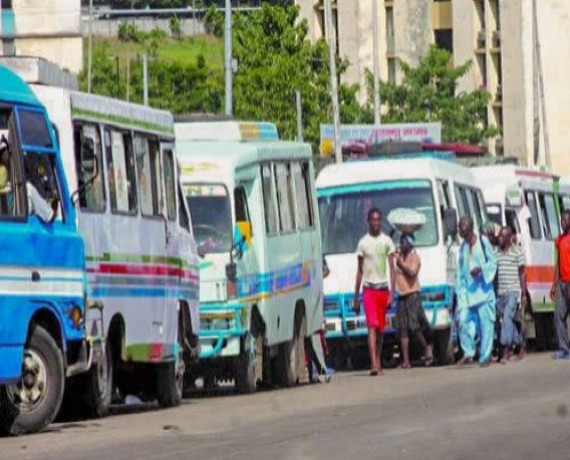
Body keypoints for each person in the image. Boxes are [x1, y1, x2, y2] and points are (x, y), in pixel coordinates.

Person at [353, 208, 396, 376]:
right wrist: (356, 297)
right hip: (369, 289)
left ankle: (378, 359)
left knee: (380, 329)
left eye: (378, 220)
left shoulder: (387, 242)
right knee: (371, 325)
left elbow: (393, 270)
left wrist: (392, 293)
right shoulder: (363, 243)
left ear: (381, 221)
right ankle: (373, 363)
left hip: (383, 289)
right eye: (373, 220)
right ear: (368, 221)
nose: (376, 223)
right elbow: (359, 271)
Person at [455, 217, 497, 367]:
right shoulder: (462, 247)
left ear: (470, 227)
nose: (460, 230)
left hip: (483, 292)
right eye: (459, 228)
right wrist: (459, 291)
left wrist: (481, 269)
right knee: (462, 320)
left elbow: (493, 262)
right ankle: (468, 352)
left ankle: (485, 356)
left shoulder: (483, 242)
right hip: (467, 293)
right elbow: (460, 271)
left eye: (462, 227)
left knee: (485, 326)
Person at [393, 233, 434, 368]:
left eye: (404, 242)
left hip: (412, 294)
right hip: (401, 295)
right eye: (401, 242)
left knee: (414, 326)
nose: (401, 245)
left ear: (410, 244)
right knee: (402, 329)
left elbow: (412, 273)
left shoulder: (414, 258)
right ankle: (406, 360)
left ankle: (426, 348)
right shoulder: (398, 257)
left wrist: (400, 264)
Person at [495, 225, 527, 362]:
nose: (500, 238)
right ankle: (520, 345)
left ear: (509, 238)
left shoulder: (517, 251)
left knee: (507, 318)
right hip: (500, 293)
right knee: (508, 322)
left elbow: (522, 274)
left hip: (513, 292)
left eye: (503, 236)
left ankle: (506, 350)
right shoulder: (496, 253)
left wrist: (524, 294)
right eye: (499, 236)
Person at [550, 209, 570, 359]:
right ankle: (564, 348)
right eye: (562, 220)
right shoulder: (559, 240)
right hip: (562, 283)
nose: (563, 223)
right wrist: (553, 285)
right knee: (558, 315)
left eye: (566, 220)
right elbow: (557, 263)